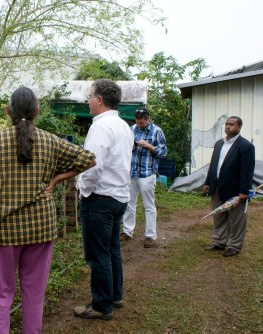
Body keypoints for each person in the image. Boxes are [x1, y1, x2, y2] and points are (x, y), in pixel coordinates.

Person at [0, 87, 96, 334]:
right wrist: (56, 180)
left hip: (3, 229)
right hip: (40, 227)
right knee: (34, 294)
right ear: (37, 111)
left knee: (0, 296)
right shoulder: (50, 141)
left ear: (7, 111)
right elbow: (89, 159)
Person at [74, 79, 134, 321]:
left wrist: (84, 190)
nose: (87, 101)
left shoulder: (100, 127)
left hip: (100, 198)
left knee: (98, 254)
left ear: (99, 100)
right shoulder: (124, 126)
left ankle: (101, 305)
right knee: (112, 250)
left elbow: (91, 165)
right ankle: (114, 295)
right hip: (119, 196)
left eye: (89, 96)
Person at [202, 116, 255, 257]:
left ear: (239, 127)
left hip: (236, 190)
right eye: (226, 124)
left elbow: (247, 171)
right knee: (219, 216)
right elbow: (213, 165)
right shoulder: (219, 144)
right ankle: (219, 242)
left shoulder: (246, 146)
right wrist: (208, 182)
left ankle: (234, 246)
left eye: (231, 124)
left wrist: (244, 191)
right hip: (217, 186)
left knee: (236, 220)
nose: (227, 126)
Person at [122, 107, 167, 248]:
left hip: (147, 174)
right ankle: (127, 232)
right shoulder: (132, 129)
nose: (139, 125)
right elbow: (124, 147)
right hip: (132, 173)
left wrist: (149, 146)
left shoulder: (157, 131)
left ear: (148, 119)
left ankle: (150, 236)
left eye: (141, 122)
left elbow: (163, 152)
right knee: (129, 203)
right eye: (137, 122)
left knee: (149, 206)